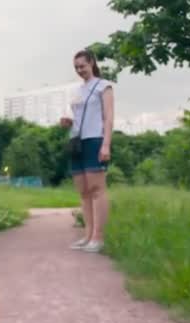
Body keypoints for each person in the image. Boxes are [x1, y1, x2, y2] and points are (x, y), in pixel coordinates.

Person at [60, 50, 115, 253]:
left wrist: (106, 144)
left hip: (95, 140)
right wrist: (67, 123)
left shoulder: (104, 86)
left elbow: (108, 118)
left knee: (97, 190)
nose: (79, 70)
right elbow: (78, 118)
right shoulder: (78, 91)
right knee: (83, 191)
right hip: (76, 142)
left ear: (92, 62)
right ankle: (88, 235)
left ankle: (99, 238)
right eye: (76, 67)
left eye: (82, 66)